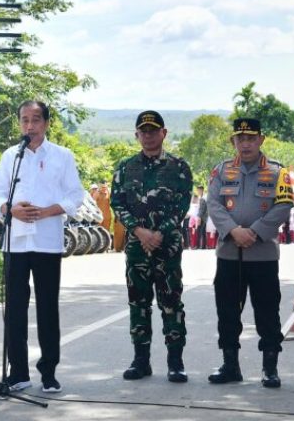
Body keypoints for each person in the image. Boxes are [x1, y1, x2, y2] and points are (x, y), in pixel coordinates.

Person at [0, 100, 84, 394]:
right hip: (16, 242)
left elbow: (75, 195)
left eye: (35, 120)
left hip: (46, 242)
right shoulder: (10, 156)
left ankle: (49, 372)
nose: (29, 126)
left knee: (47, 309)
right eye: (24, 120)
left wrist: (50, 210)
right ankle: (18, 372)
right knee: (15, 310)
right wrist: (9, 209)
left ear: (46, 123)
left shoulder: (62, 156)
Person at [205, 118, 294, 388]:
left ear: (261, 140)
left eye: (251, 138)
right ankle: (230, 365)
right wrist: (233, 231)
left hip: (263, 255)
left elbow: (284, 205)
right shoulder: (221, 171)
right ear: (233, 141)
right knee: (227, 311)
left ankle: (270, 368)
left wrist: (254, 231)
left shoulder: (279, 173)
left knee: (268, 312)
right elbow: (214, 204)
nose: (245, 143)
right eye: (240, 138)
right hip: (229, 254)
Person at [111, 110, 193, 383]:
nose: (148, 135)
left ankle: (176, 362)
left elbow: (182, 205)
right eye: (143, 131)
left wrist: (158, 233)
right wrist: (139, 231)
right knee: (139, 303)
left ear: (164, 133)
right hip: (137, 247)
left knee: (171, 303)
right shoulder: (124, 168)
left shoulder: (178, 168)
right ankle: (140, 361)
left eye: (153, 130)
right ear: (137, 135)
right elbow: (117, 203)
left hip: (167, 246)